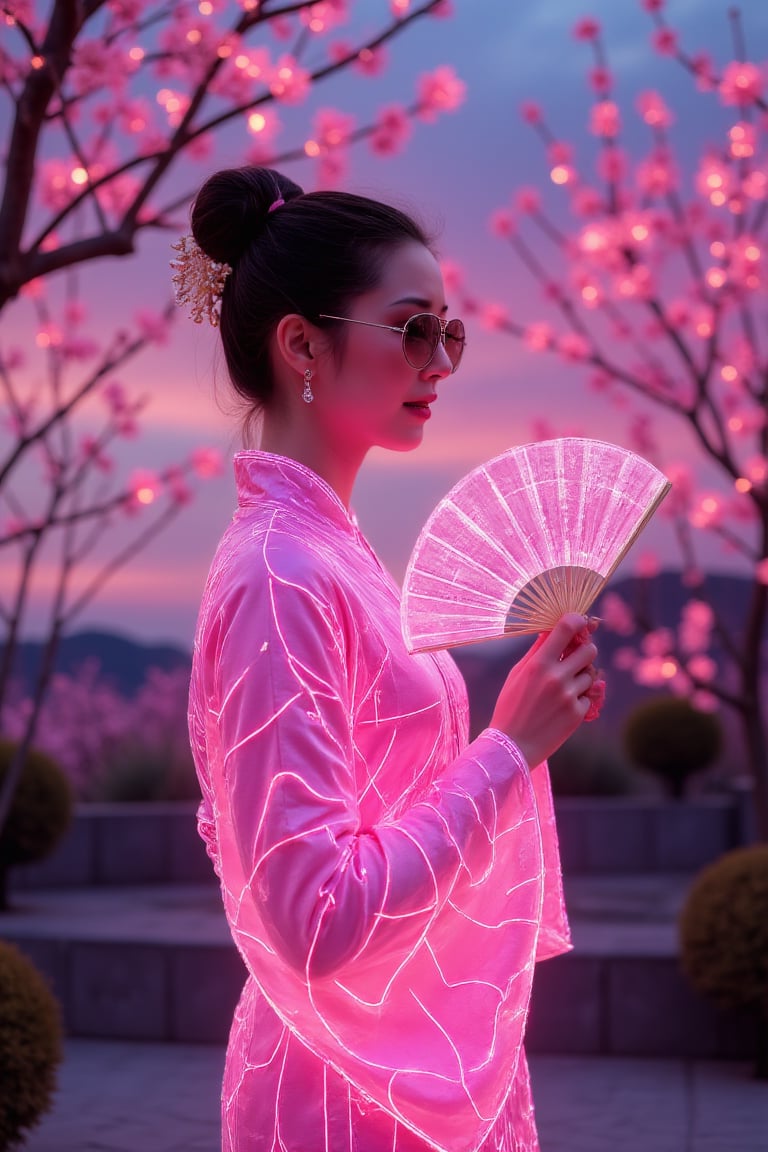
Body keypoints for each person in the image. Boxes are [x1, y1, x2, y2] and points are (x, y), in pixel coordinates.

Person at [179, 165, 600, 1152]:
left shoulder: (328, 551)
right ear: (301, 346)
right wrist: (508, 747)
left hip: (399, 1053)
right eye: (413, 328)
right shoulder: (280, 575)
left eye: (449, 331)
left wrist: (520, 732)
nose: (441, 361)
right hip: (342, 1092)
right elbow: (315, 920)